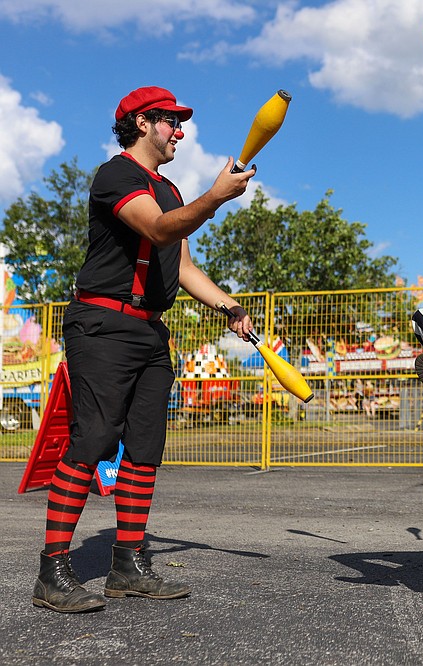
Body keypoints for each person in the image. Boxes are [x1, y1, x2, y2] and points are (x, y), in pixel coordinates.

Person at [31, 86, 257, 613]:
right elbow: (157, 230)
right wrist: (217, 196)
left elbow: (177, 263)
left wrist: (227, 305)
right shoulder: (117, 176)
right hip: (104, 323)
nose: (180, 131)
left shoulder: (171, 189)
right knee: (92, 440)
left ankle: (128, 565)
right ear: (140, 123)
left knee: (144, 450)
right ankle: (53, 570)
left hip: (151, 330)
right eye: (171, 122)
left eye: (180, 123)